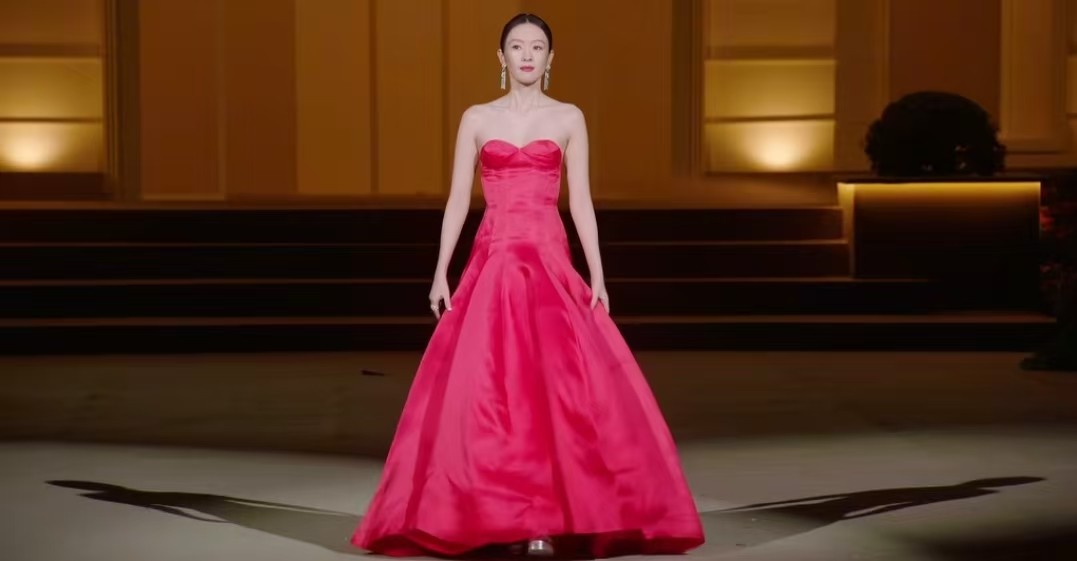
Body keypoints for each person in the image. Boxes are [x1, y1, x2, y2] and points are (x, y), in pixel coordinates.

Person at [351, 13, 705, 558]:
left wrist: (598, 272)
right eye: (517, 46)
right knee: (489, 394)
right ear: (501, 57)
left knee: (551, 391)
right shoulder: (476, 118)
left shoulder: (568, 117)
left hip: (546, 260)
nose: (526, 55)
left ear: (550, 58)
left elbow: (581, 200)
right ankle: (489, 516)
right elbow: (457, 200)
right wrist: (441, 269)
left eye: (537, 47)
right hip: (494, 262)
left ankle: (545, 521)